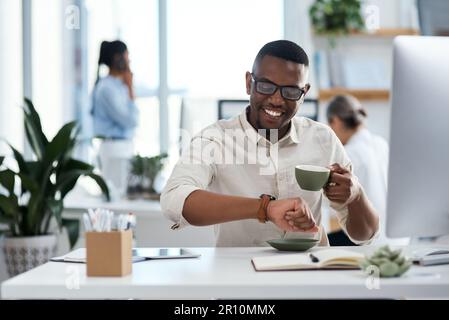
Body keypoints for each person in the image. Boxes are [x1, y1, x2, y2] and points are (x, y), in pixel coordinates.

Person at [161, 40, 379, 247]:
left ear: (304, 93)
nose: (276, 99)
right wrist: (265, 209)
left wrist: (356, 195)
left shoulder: (323, 139)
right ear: (249, 83)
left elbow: (364, 236)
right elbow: (174, 200)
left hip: (311, 274)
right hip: (240, 276)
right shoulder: (214, 139)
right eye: (266, 86)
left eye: (291, 91)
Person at [326, 95, 409, 245]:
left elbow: (333, 209)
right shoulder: (381, 144)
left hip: (372, 242)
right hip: (400, 240)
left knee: (320, 243)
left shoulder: (348, 154)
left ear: (335, 121)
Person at [91, 40, 138, 198]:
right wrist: (131, 88)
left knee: (123, 198)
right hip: (114, 148)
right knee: (115, 199)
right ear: (118, 58)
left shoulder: (119, 86)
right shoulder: (107, 89)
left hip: (122, 147)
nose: (129, 60)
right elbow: (131, 120)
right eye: (127, 55)